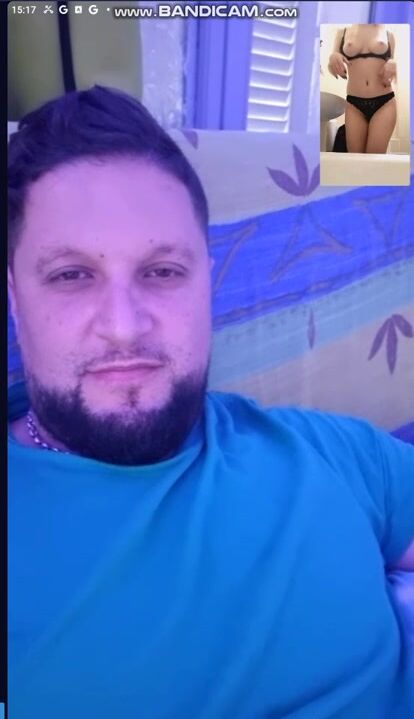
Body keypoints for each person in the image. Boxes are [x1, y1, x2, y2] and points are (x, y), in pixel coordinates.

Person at [7, 86, 414, 719]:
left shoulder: (334, 451)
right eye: (71, 275)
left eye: (162, 271)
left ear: (208, 283)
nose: (124, 327)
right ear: (14, 297)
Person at [328, 24, 397, 153]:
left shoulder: (388, 32)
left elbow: (392, 63)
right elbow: (332, 63)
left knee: (374, 158)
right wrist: (332, 58)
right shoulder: (342, 31)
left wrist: (393, 64)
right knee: (355, 158)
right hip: (354, 104)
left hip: (384, 103)